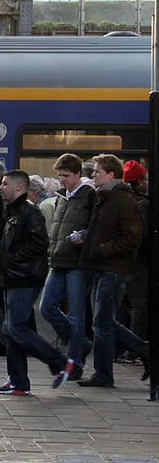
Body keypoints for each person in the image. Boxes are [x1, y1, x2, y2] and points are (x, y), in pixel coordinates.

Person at [0, 170, 69, 396]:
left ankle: (58, 363)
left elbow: (39, 242)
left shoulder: (29, 212)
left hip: (24, 278)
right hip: (13, 277)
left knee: (15, 328)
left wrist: (12, 258)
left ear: (19, 187)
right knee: (11, 331)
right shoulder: (13, 212)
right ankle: (18, 381)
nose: (0, 187)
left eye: (5, 183)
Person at [78, 154, 147, 387]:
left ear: (111, 174)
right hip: (101, 266)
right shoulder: (105, 197)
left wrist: (102, 249)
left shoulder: (121, 199)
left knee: (102, 322)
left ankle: (105, 373)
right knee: (103, 322)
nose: (92, 175)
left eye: (97, 172)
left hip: (113, 268)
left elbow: (133, 237)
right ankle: (141, 353)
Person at [40, 153, 95, 381]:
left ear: (78, 174)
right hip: (58, 260)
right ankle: (80, 344)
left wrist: (83, 235)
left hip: (77, 263)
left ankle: (75, 363)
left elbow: (97, 227)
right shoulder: (62, 197)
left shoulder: (89, 196)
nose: (62, 180)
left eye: (66, 176)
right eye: (60, 176)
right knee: (47, 307)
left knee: (76, 316)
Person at [121, 160, 149, 355]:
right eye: (145, 179)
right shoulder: (144, 204)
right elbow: (144, 235)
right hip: (139, 262)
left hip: (122, 261)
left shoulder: (121, 201)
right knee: (140, 305)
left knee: (122, 305)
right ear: (139, 183)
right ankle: (134, 350)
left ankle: (122, 348)